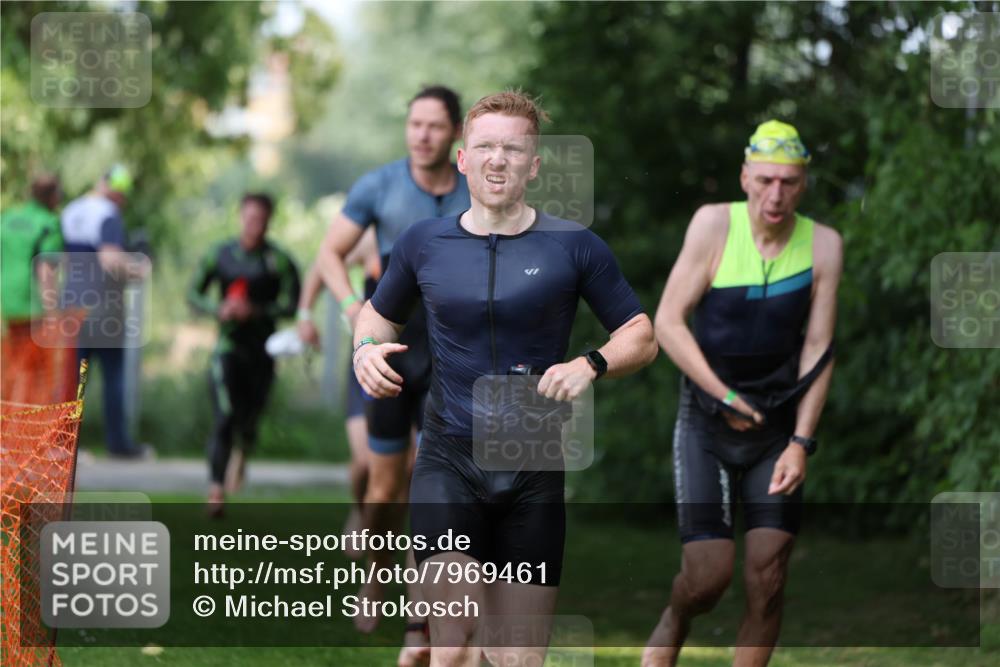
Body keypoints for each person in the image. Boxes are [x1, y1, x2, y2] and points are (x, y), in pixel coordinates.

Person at [353, 90, 657, 666]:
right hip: (449, 460)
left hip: (532, 467)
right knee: (454, 638)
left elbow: (641, 335)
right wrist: (364, 348)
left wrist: (589, 363)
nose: (499, 160)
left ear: (534, 165)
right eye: (486, 147)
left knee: (518, 659)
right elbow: (375, 312)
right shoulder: (424, 242)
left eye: (514, 150)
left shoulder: (575, 246)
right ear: (463, 158)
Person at [643, 120, 843, 667]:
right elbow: (668, 322)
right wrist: (725, 395)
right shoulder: (713, 225)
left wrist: (802, 441)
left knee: (769, 577)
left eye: (789, 182)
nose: (775, 195)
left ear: (803, 184)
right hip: (707, 421)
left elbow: (820, 347)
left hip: (777, 433)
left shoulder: (824, 245)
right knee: (707, 578)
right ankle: (675, 620)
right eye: (765, 181)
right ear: (744, 177)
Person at [296, 85, 470, 659]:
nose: (422, 135)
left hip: (448, 352)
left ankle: (419, 620)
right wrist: (351, 311)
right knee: (383, 483)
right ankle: (375, 573)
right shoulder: (380, 185)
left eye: (434, 126)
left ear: (454, 135)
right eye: (414, 124)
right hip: (390, 343)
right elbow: (330, 254)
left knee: (433, 487)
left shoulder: (476, 188)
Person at [188, 193, 301, 517]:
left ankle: (243, 451)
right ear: (240, 217)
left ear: (268, 222)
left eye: (261, 220)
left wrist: (257, 311)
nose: (254, 226)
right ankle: (216, 491)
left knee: (249, 420)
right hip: (227, 348)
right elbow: (194, 294)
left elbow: (292, 305)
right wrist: (218, 308)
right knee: (224, 416)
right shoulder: (220, 255)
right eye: (250, 218)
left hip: (262, 352)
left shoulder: (278, 261)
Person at [60, 165, 151, 458]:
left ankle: (64, 444)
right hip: (102, 307)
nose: (122, 201)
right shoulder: (108, 215)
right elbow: (111, 260)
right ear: (115, 191)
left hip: (71, 305)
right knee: (113, 375)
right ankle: (118, 443)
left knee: (74, 379)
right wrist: (139, 267)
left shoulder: (71, 211)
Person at [1, 174, 67, 404]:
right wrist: (53, 313)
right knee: (37, 372)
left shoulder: (7, 219)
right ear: (51, 196)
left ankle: (9, 427)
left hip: (8, 303)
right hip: (33, 304)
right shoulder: (48, 223)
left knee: (13, 367)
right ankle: (24, 433)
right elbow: (46, 270)